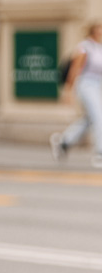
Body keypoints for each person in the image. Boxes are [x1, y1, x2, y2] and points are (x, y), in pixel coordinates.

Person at [52, 22, 102, 167]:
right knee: (98, 117)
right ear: (92, 31)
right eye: (98, 29)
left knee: (90, 118)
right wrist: (68, 91)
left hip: (97, 86)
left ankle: (64, 141)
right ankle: (100, 153)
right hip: (85, 85)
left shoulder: (99, 48)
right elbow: (74, 70)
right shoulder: (84, 47)